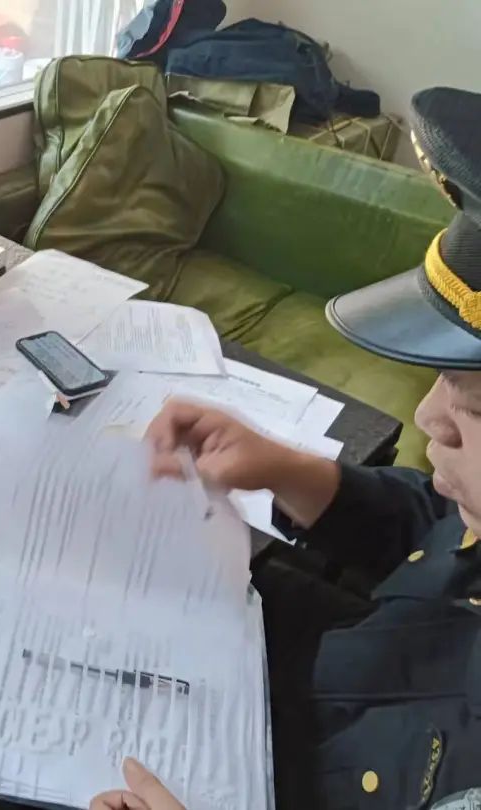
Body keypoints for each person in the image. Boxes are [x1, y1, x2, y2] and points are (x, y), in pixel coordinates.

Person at [92, 86, 481, 809]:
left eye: (476, 405)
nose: (430, 417)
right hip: (338, 678)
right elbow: (436, 526)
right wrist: (287, 469)